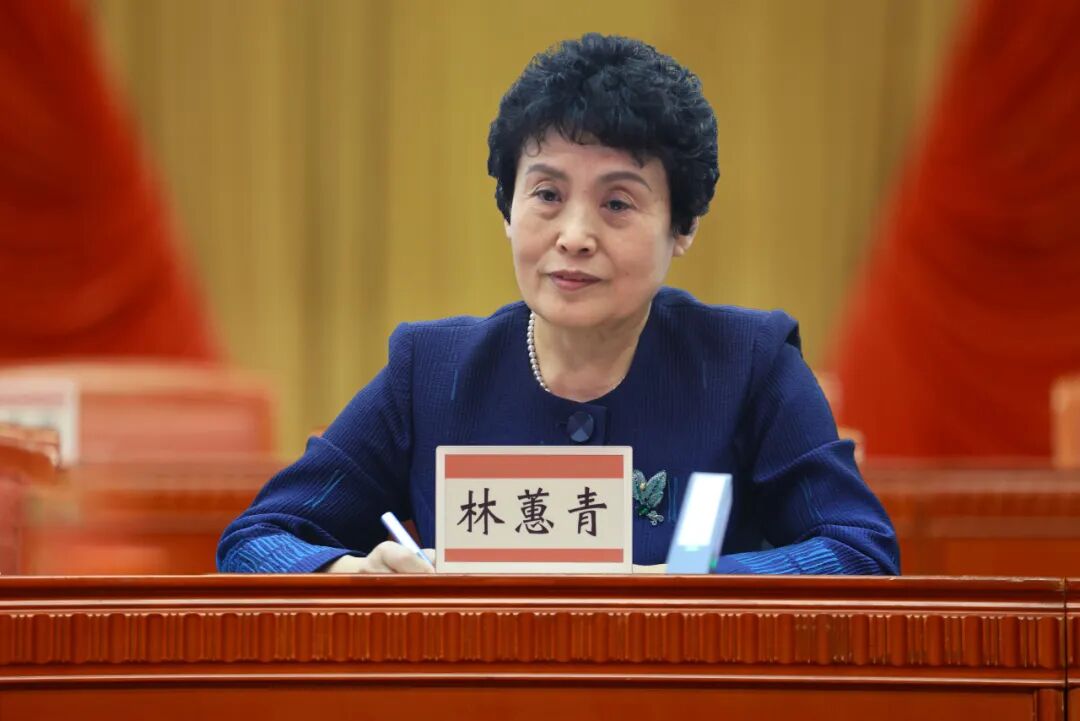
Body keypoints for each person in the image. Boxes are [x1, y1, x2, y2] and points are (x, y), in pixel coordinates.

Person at [217, 33, 899, 576]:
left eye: (617, 203)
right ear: (508, 211)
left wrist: (683, 587)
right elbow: (258, 540)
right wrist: (352, 572)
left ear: (683, 226)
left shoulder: (749, 364)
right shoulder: (430, 370)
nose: (574, 236)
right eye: (546, 195)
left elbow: (859, 551)